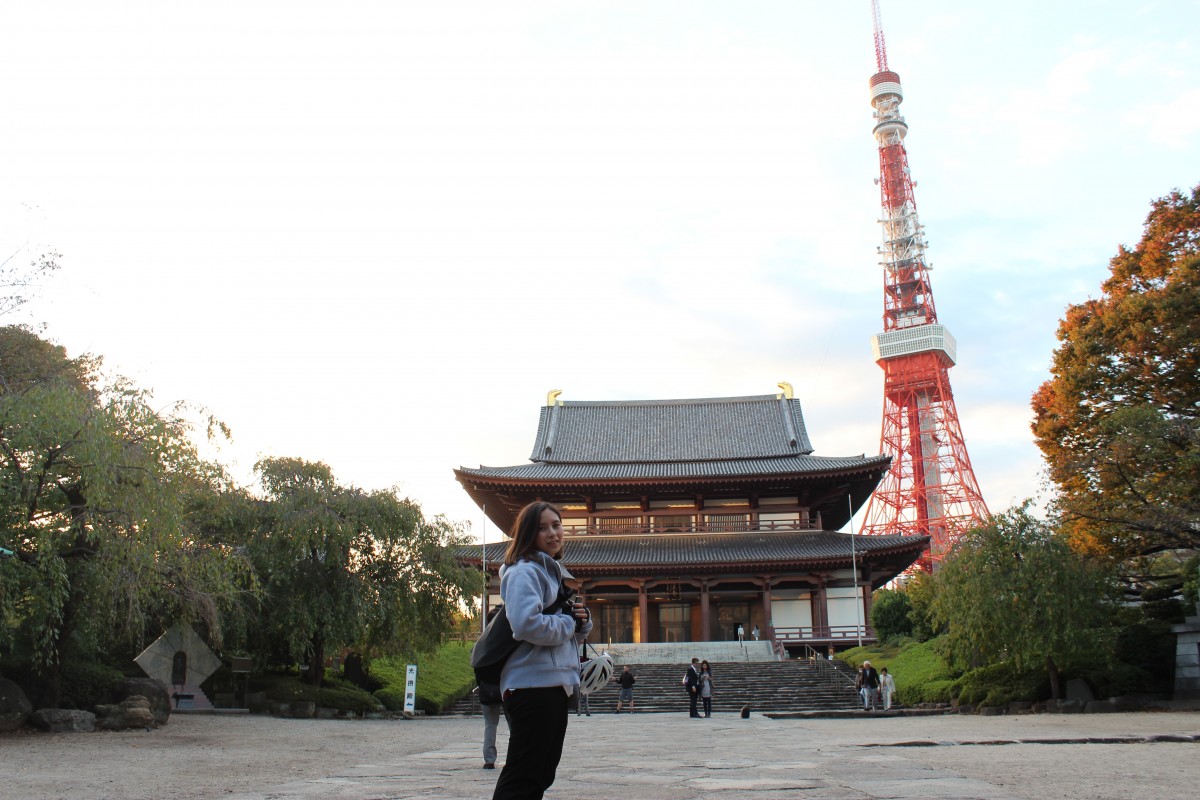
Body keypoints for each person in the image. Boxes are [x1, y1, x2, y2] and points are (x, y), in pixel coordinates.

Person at [491, 501, 592, 800]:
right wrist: (567, 623)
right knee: (524, 773)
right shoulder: (524, 571)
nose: (553, 533)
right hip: (531, 683)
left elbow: (562, 626)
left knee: (541, 772)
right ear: (527, 534)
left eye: (557, 525)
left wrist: (580, 622)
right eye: (542, 528)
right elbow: (525, 624)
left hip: (552, 682)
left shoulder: (553, 572)